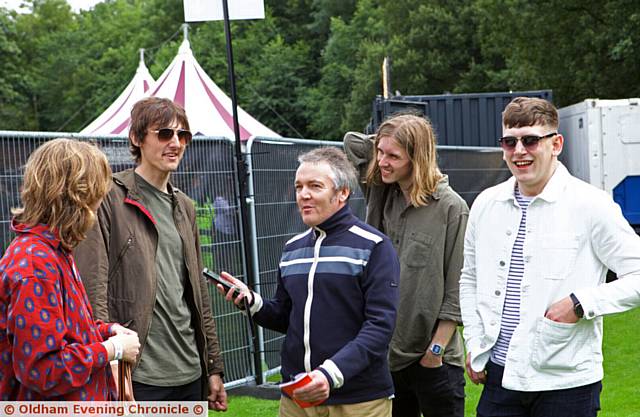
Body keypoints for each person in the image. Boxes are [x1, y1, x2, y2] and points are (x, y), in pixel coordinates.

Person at [459, 97, 640, 417]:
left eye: (530, 140)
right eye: (509, 141)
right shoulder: (486, 205)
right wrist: (474, 342)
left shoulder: (590, 205)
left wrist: (581, 303)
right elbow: (470, 278)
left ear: (556, 143)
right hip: (500, 375)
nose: (518, 151)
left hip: (566, 380)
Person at [218, 147, 400, 416]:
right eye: (298, 186)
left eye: (315, 186)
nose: (303, 194)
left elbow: (380, 327)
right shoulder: (292, 249)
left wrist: (329, 375)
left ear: (342, 193)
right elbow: (286, 317)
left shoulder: (374, 246)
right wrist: (253, 303)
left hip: (358, 399)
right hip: (297, 397)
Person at [74, 97, 227, 410]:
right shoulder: (108, 197)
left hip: (190, 371)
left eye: (182, 136)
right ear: (136, 138)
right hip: (138, 372)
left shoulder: (185, 206)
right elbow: (93, 290)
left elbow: (198, 294)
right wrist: (110, 360)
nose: (175, 143)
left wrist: (213, 367)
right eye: (164, 134)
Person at [343, 114, 468, 417]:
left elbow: (457, 291)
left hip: (434, 360)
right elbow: (351, 141)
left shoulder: (452, 208)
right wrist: (393, 135)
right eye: (381, 153)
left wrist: (434, 353)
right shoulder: (382, 189)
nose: (383, 161)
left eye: (393, 156)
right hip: (387, 357)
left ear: (418, 157)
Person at [0, 139, 140, 400]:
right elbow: (43, 370)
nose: (100, 204)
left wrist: (107, 331)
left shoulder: (54, 251)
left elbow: (63, 332)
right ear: (77, 197)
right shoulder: (35, 266)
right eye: (98, 193)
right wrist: (112, 349)